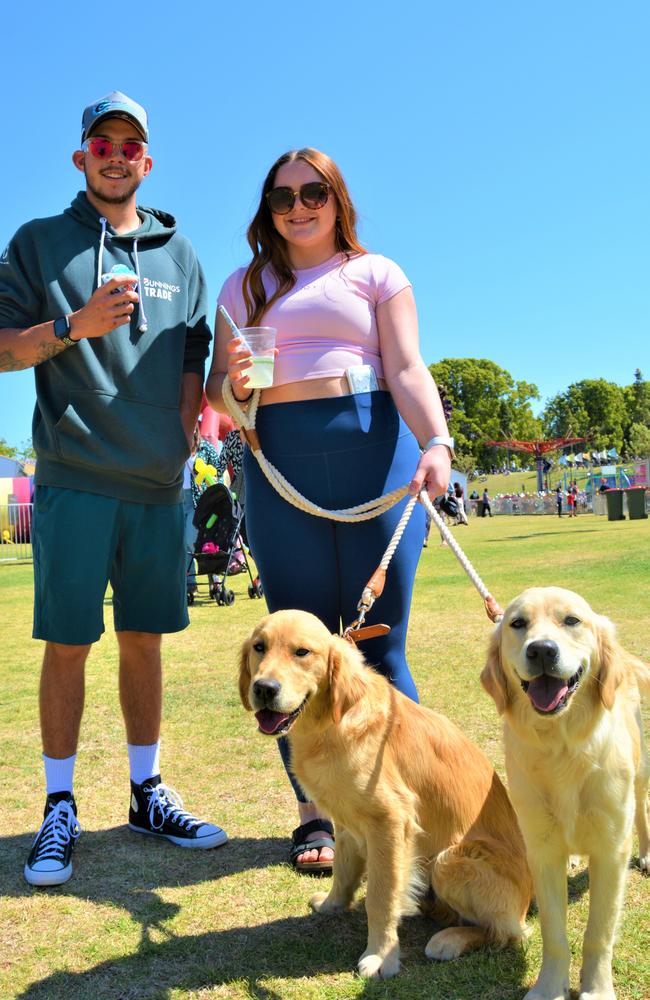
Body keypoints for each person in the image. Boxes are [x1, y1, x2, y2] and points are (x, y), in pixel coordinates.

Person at [0, 91, 227, 887]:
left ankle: (146, 791)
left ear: (147, 161)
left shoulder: (181, 253)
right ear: (81, 156)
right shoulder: (36, 243)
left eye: (130, 144)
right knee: (68, 644)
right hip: (74, 476)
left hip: (160, 483)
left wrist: (192, 430)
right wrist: (73, 325)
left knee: (144, 640)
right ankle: (58, 807)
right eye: (103, 142)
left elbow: (198, 367)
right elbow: (1, 349)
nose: (116, 154)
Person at [206, 147, 452, 873]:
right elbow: (223, 399)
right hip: (281, 468)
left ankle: (405, 807)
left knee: (382, 644)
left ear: (337, 198)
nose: (299, 207)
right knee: (293, 654)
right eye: (282, 198)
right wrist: (237, 388)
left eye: (313, 192)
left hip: (376, 455)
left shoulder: (377, 273)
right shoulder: (241, 285)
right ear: (268, 211)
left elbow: (406, 367)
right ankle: (315, 816)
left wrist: (435, 441)